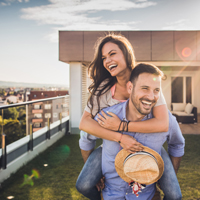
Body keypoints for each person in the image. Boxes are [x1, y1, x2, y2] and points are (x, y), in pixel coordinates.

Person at [76, 33, 181, 199]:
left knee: (174, 195)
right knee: (84, 184)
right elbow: (85, 124)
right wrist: (120, 137)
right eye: (104, 58)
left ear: (126, 53)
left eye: (112, 54)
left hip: (149, 146)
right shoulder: (103, 90)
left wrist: (122, 126)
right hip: (111, 145)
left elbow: (162, 124)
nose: (107, 61)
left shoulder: (146, 82)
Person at [91, 63, 185, 199]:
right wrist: (93, 174)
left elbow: (178, 144)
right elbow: (86, 139)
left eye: (156, 90)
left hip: (146, 196)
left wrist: (168, 177)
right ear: (130, 87)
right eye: (145, 88)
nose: (151, 97)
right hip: (111, 194)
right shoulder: (107, 116)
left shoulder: (166, 120)